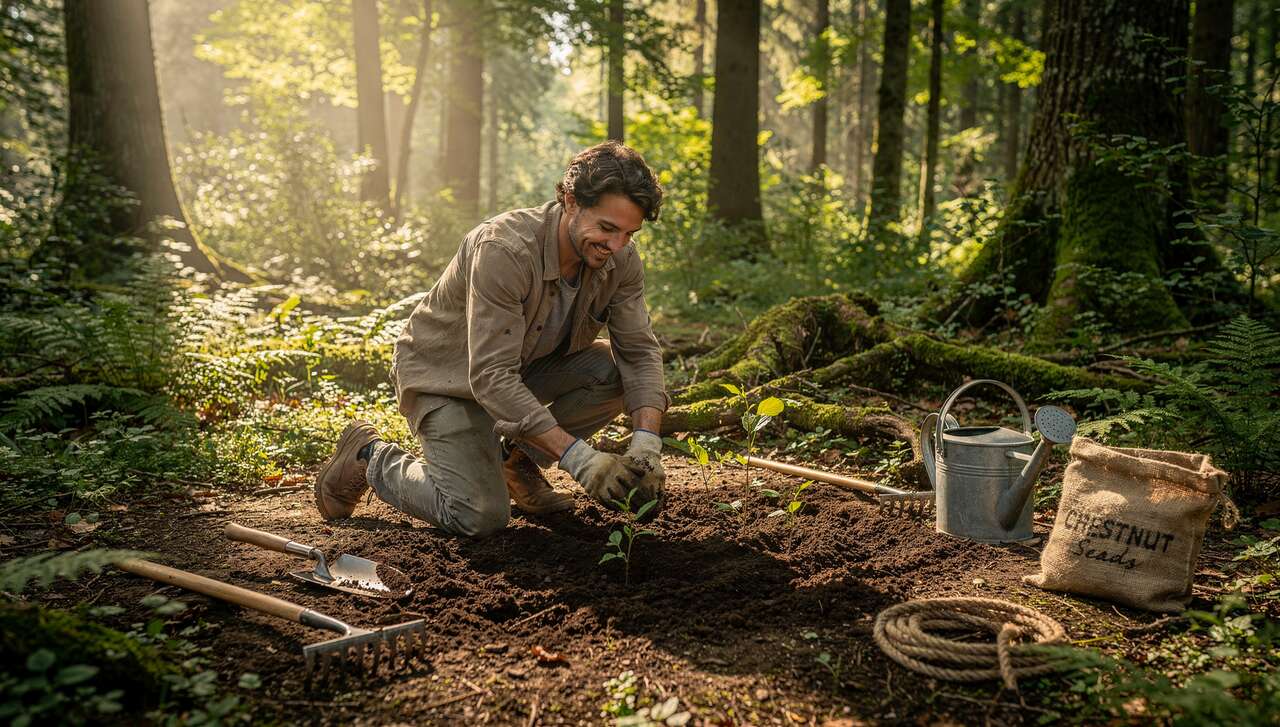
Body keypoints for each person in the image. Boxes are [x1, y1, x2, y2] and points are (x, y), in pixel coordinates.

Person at [313, 141, 668, 537]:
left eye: (628, 233)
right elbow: (490, 375)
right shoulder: (504, 249)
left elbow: (638, 351)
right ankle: (368, 457)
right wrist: (580, 459)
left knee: (611, 370)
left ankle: (514, 461)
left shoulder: (620, 259)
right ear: (570, 201)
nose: (617, 245)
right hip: (449, 381)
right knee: (479, 516)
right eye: (607, 228)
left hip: (522, 371)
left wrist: (646, 443)